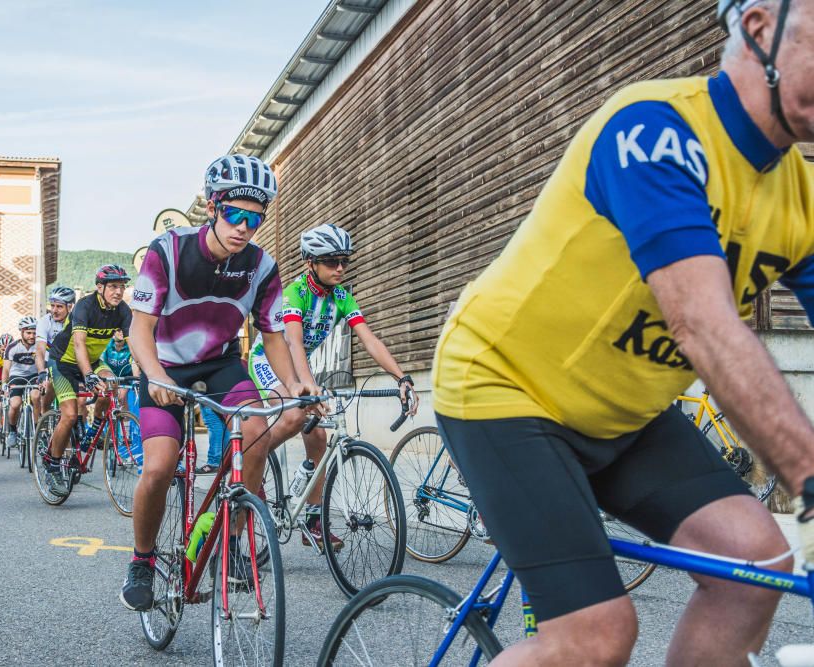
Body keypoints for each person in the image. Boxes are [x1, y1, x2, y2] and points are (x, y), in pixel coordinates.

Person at [432, 1, 814, 664]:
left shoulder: (801, 196)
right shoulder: (656, 129)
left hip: (624, 413)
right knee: (595, 636)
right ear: (759, 27)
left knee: (758, 563)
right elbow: (701, 323)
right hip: (506, 387)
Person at [120, 153, 314, 612]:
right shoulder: (166, 250)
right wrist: (156, 375)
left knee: (255, 434)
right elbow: (139, 328)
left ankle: (230, 546)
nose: (243, 226)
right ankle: (142, 560)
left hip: (221, 363)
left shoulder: (262, 266)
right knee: (158, 468)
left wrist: (291, 386)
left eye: (254, 218)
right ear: (212, 208)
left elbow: (271, 334)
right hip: (164, 364)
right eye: (234, 214)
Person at [249, 223, 418, 550]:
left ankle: (312, 520)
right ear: (310, 262)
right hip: (269, 362)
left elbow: (370, 340)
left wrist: (402, 377)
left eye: (344, 261)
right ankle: (253, 459)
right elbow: (294, 345)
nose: (340, 268)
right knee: (296, 415)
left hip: (300, 365)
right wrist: (307, 390)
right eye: (331, 261)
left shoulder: (342, 297)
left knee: (319, 437)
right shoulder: (294, 294)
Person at [44, 267, 132, 496]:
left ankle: (94, 431)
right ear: (100, 287)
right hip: (63, 362)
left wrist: (148, 373)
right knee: (71, 414)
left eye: (122, 286)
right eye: (113, 286)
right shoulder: (85, 306)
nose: (118, 291)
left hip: (91, 361)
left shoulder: (123, 311)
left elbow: (135, 344)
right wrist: (88, 375)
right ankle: (52, 466)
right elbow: (79, 344)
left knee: (112, 383)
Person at [3, 316, 42, 450]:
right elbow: (6, 368)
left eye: (34, 332)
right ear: (22, 333)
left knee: (36, 396)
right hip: (17, 376)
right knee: (15, 404)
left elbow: (46, 363)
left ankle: (38, 429)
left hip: (34, 375)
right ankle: (13, 431)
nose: (32, 336)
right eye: (29, 333)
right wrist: (4, 384)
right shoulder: (12, 347)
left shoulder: (40, 345)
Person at [36, 286, 76, 413]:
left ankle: (79, 430)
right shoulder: (45, 321)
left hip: (70, 361)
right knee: (49, 386)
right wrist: (42, 372)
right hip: (51, 361)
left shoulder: (76, 321)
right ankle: (45, 414)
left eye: (59, 306)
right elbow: (40, 350)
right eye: (52, 306)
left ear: (70, 307)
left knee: (80, 402)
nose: (54, 310)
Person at [98, 328, 139, 418]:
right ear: (113, 333)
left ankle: (126, 426)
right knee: (107, 400)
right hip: (110, 376)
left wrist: (136, 380)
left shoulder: (129, 345)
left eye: (123, 330)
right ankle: (108, 424)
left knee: (121, 398)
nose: (121, 332)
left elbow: (134, 362)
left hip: (125, 376)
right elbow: (101, 360)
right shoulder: (107, 344)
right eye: (118, 330)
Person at [196, 405, 229, 474]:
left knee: (214, 424)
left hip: (208, 396)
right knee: (225, 424)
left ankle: (214, 463)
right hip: (223, 397)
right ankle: (226, 462)